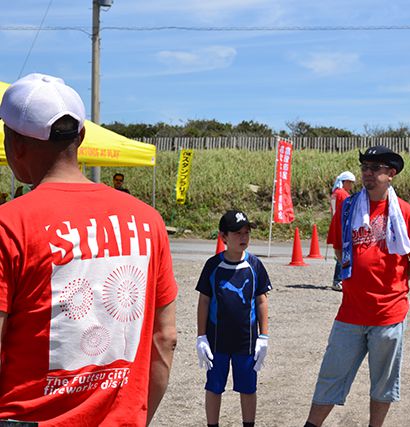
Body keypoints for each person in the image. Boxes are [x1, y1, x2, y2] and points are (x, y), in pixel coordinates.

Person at [0, 73, 178, 425]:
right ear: (80, 137)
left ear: (15, 144)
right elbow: (165, 338)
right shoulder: (148, 221)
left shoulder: (10, 224)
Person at [304, 146, 410, 427]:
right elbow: (339, 250)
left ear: (391, 174)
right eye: (365, 168)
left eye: (375, 169)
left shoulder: (406, 214)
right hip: (350, 311)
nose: (368, 174)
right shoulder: (348, 208)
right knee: (331, 374)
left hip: (389, 313)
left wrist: (396, 283)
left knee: (383, 383)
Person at [195, 210, 271, 427]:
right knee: (214, 386)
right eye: (237, 233)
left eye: (246, 232)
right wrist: (201, 337)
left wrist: (264, 336)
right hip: (217, 340)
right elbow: (204, 302)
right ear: (224, 237)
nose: (243, 237)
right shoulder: (213, 266)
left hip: (246, 341)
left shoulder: (255, 265)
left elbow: (262, 301)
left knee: (248, 387)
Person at [327, 170, 356, 291]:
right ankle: (338, 280)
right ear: (345, 182)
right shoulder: (342, 194)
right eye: (350, 182)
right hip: (343, 227)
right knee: (344, 253)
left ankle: (339, 279)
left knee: (342, 253)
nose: (351, 185)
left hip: (338, 226)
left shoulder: (336, 193)